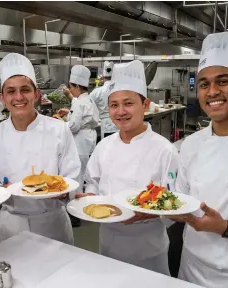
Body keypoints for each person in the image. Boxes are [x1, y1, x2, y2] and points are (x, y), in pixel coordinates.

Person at [81, 60, 179, 275]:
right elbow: (92, 183)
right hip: (108, 240)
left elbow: (174, 203)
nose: (121, 111)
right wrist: (88, 198)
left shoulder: (165, 150)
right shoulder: (103, 146)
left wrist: (151, 214)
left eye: (128, 103)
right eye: (114, 105)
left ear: (145, 105)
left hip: (148, 246)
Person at [0, 53, 81, 244]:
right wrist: (2, 191)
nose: (18, 97)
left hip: (53, 223)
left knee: (59, 273)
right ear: (2, 98)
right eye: (11, 91)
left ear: (37, 95)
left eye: (25, 89)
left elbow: (72, 176)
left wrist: (63, 192)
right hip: (11, 224)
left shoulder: (59, 129)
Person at [174, 32, 228, 288]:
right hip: (192, 267)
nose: (213, 91)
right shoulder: (191, 144)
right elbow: (181, 199)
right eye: (204, 84)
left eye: (223, 81)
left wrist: (225, 227)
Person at [60, 65, 99, 192]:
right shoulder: (89, 100)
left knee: (78, 174)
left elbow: (74, 126)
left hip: (80, 142)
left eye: (71, 87)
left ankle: (76, 200)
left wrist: (60, 124)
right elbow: (84, 118)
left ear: (77, 86)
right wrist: (69, 113)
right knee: (85, 171)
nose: (70, 91)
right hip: (88, 139)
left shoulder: (79, 103)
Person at [90, 61, 118, 139]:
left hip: (105, 125)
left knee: (107, 147)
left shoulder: (97, 91)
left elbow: (87, 103)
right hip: (119, 123)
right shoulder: (119, 90)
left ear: (103, 77)